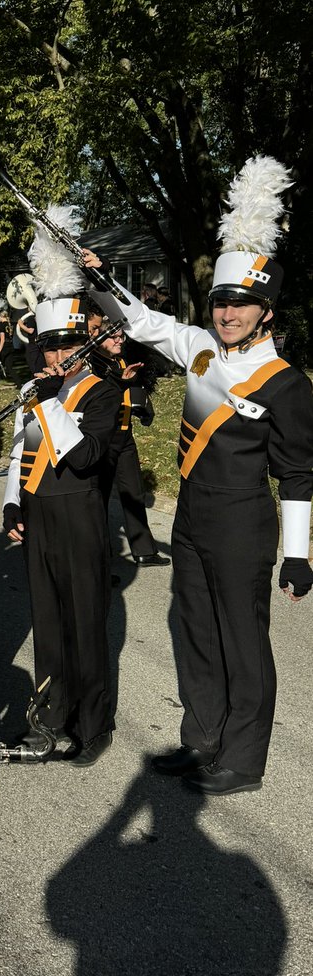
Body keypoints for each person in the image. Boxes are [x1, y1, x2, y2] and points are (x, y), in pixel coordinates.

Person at [85, 156, 313, 795]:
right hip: (191, 512)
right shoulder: (200, 348)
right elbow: (140, 322)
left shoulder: (287, 384)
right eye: (222, 302)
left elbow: (298, 475)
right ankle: (203, 737)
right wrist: (97, 278)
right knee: (195, 628)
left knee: (243, 639)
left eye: (243, 305)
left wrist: (297, 555)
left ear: (266, 310)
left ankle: (243, 756)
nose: (229, 313)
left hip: (244, 518)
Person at [2, 205, 120, 766]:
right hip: (40, 510)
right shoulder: (38, 388)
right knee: (48, 622)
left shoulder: (100, 391)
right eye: (49, 347)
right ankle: (50, 715)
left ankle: (93, 723)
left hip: (79, 510)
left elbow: (86, 456)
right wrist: (10, 505)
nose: (57, 355)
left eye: (67, 345)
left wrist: (52, 403)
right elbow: (19, 451)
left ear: (84, 344)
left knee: (85, 622)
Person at [85, 309, 167, 567]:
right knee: (98, 499)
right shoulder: (91, 363)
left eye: (121, 336)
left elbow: (132, 391)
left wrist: (142, 405)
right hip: (102, 440)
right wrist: (119, 383)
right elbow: (96, 399)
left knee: (134, 493)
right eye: (113, 337)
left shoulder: (119, 361)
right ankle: (100, 563)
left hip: (124, 435)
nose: (119, 340)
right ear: (97, 337)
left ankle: (144, 550)